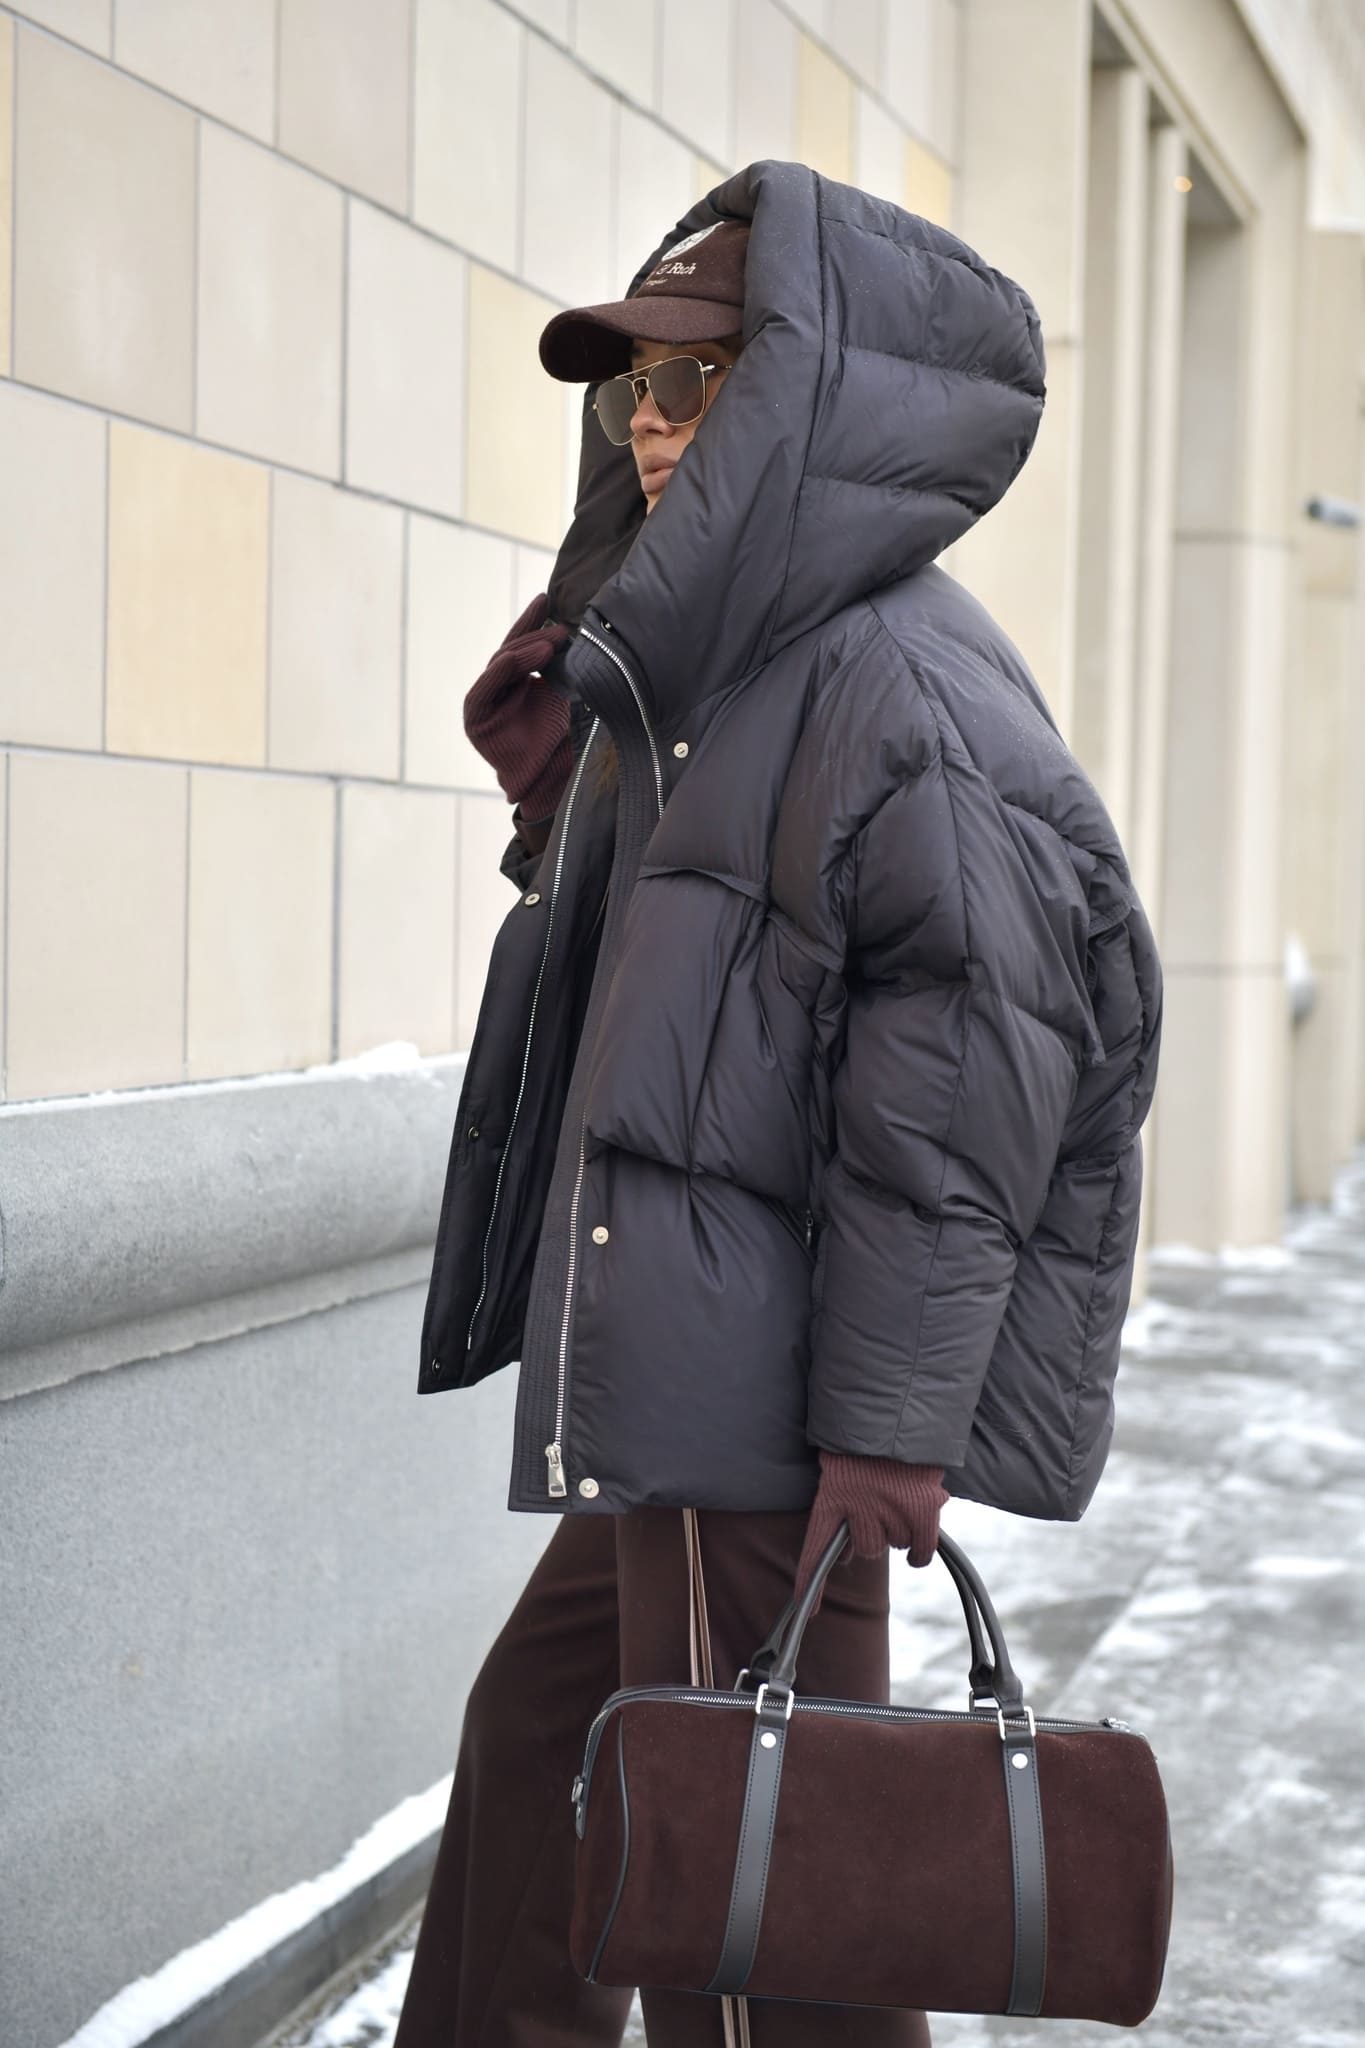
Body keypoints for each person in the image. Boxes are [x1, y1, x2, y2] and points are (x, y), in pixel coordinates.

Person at [396, 162, 1162, 2047]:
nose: (653, 431)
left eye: (699, 383)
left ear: (807, 395)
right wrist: (565, 760)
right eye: (633, 393)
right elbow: (686, 973)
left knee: (744, 1895)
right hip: (690, 1351)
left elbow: (968, 1089)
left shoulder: (890, 680)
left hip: (774, 1388)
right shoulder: (726, 668)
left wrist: (888, 1431)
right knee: (548, 1761)